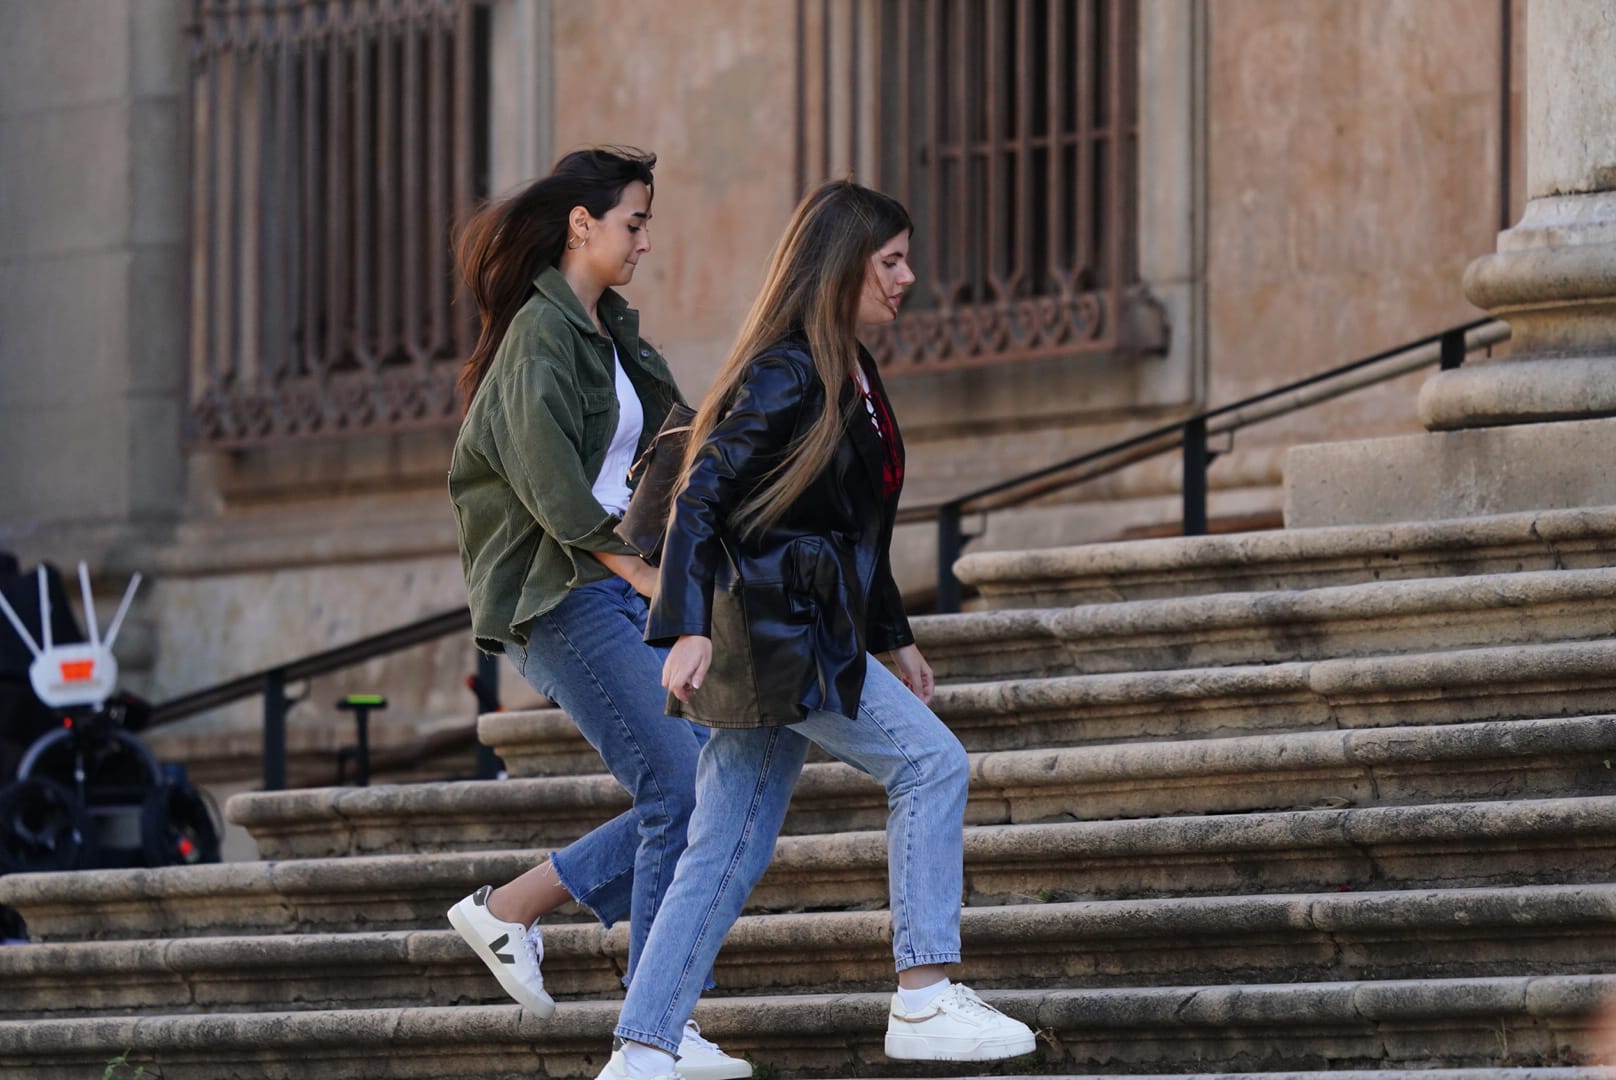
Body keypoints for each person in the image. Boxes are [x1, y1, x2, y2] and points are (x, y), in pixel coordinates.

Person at [594, 180, 1036, 1080]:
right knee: (931, 764)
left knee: (726, 844)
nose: (909, 277)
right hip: (774, 634)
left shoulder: (851, 371)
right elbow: (700, 494)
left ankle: (642, 1050)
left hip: (798, 631)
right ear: (842, 269)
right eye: (891, 261)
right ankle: (923, 994)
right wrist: (682, 626)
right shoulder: (788, 368)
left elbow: (850, 529)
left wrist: (895, 637)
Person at [445, 146, 748, 1080]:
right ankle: (652, 1025)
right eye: (634, 222)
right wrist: (658, 583)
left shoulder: (609, 330)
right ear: (583, 223)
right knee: (685, 789)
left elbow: (671, 438)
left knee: (701, 787)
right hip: (553, 591)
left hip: (607, 581)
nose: (645, 241)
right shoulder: (540, 336)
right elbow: (547, 488)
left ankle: (519, 916)